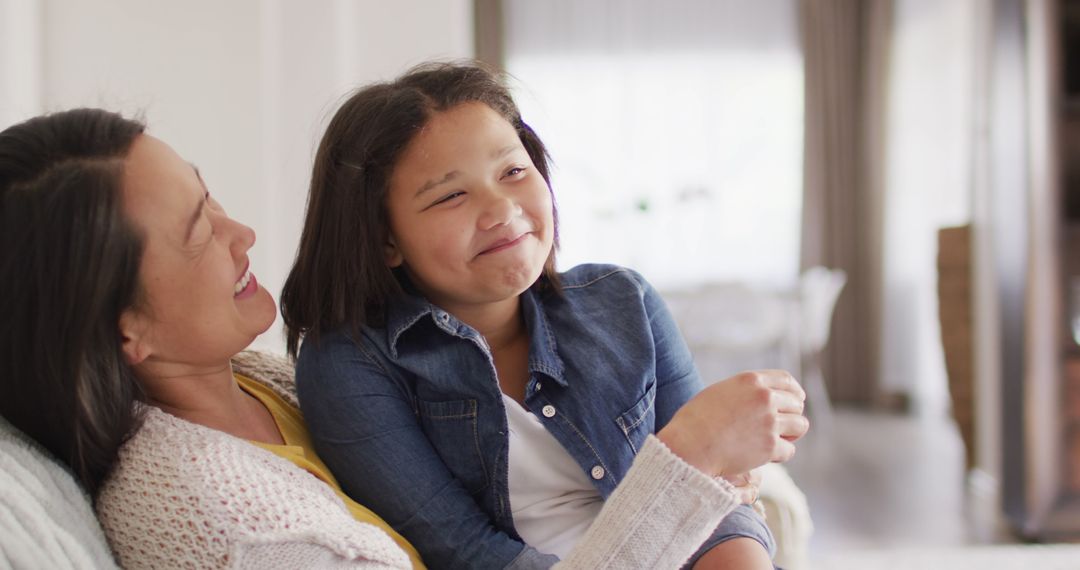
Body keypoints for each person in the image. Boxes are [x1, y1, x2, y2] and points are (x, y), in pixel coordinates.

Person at [0, 108, 807, 569]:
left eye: (210, 198)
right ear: (125, 329)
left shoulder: (255, 381)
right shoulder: (232, 527)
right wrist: (687, 461)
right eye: (197, 232)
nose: (242, 233)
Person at [281, 61, 808, 569]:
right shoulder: (350, 365)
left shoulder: (624, 301)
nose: (502, 210)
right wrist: (686, 455)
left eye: (513, 171)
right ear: (385, 239)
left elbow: (718, 503)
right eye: (451, 195)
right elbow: (467, 555)